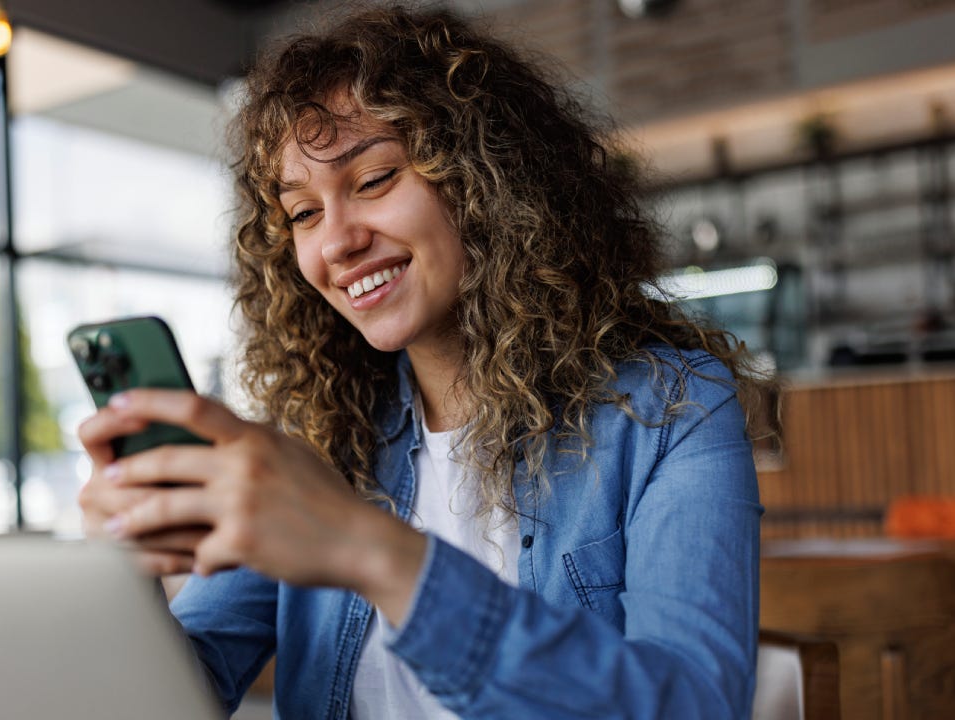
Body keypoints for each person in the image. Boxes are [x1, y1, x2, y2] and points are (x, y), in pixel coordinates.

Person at [78, 5, 768, 718]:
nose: (337, 242)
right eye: (303, 213)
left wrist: (374, 552)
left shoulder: (674, 410)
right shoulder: (320, 438)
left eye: (374, 180)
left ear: (490, 183)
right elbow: (181, 691)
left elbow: (694, 704)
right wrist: (121, 581)